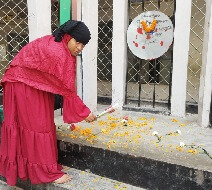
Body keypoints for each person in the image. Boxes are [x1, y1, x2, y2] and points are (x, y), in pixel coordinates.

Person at [0, 20, 96, 186]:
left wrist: (82, 111)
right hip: (22, 84)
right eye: (78, 42)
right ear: (67, 37)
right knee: (38, 126)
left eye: (83, 45)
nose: (80, 48)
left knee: (37, 126)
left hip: (28, 83)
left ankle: (35, 168)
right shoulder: (59, 52)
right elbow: (68, 91)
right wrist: (84, 113)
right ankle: (45, 172)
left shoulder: (60, 46)